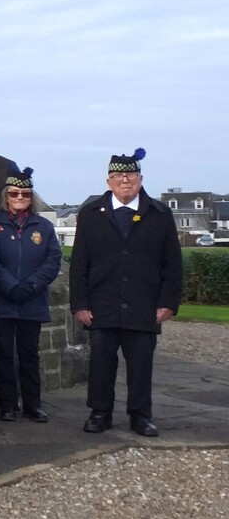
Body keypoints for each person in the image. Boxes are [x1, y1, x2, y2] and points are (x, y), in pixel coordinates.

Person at [70, 148, 182, 437]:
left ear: (140, 179)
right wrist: (80, 304)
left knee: (141, 365)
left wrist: (168, 302)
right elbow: (79, 263)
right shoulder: (91, 214)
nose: (124, 180)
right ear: (108, 181)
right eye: (118, 175)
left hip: (143, 304)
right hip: (101, 303)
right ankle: (99, 412)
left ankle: (141, 415)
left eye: (130, 175)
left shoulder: (159, 214)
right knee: (101, 364)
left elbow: (172, 263)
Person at [0, 167, 62, 423]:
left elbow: (53, 260)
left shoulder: (44, 226)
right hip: (2, 300)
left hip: (32, 300)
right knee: (3, 354)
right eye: (14, 193)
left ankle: (33, 404)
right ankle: (7, 403)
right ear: (6, 195)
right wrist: (9, 285)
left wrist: (32, 285)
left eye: (25, 193)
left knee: (29, 355)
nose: (19, 197)